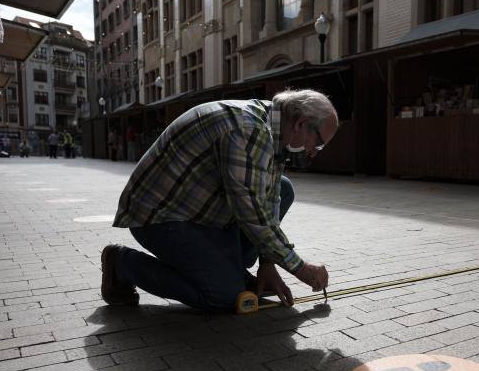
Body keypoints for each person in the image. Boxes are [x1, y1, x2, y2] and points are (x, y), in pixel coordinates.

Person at [101, 89, 337, 311]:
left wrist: (268, 262)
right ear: (301, 124)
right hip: (159, 217)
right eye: (318, 143)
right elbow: (252, 215)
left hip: (198, 210)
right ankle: (121, 263)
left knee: (284, 188)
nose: (315, 152)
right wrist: (300, 268)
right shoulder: (249, 129)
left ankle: (226, 269)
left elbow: (270, 199)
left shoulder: (275, 130)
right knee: (225, 296)